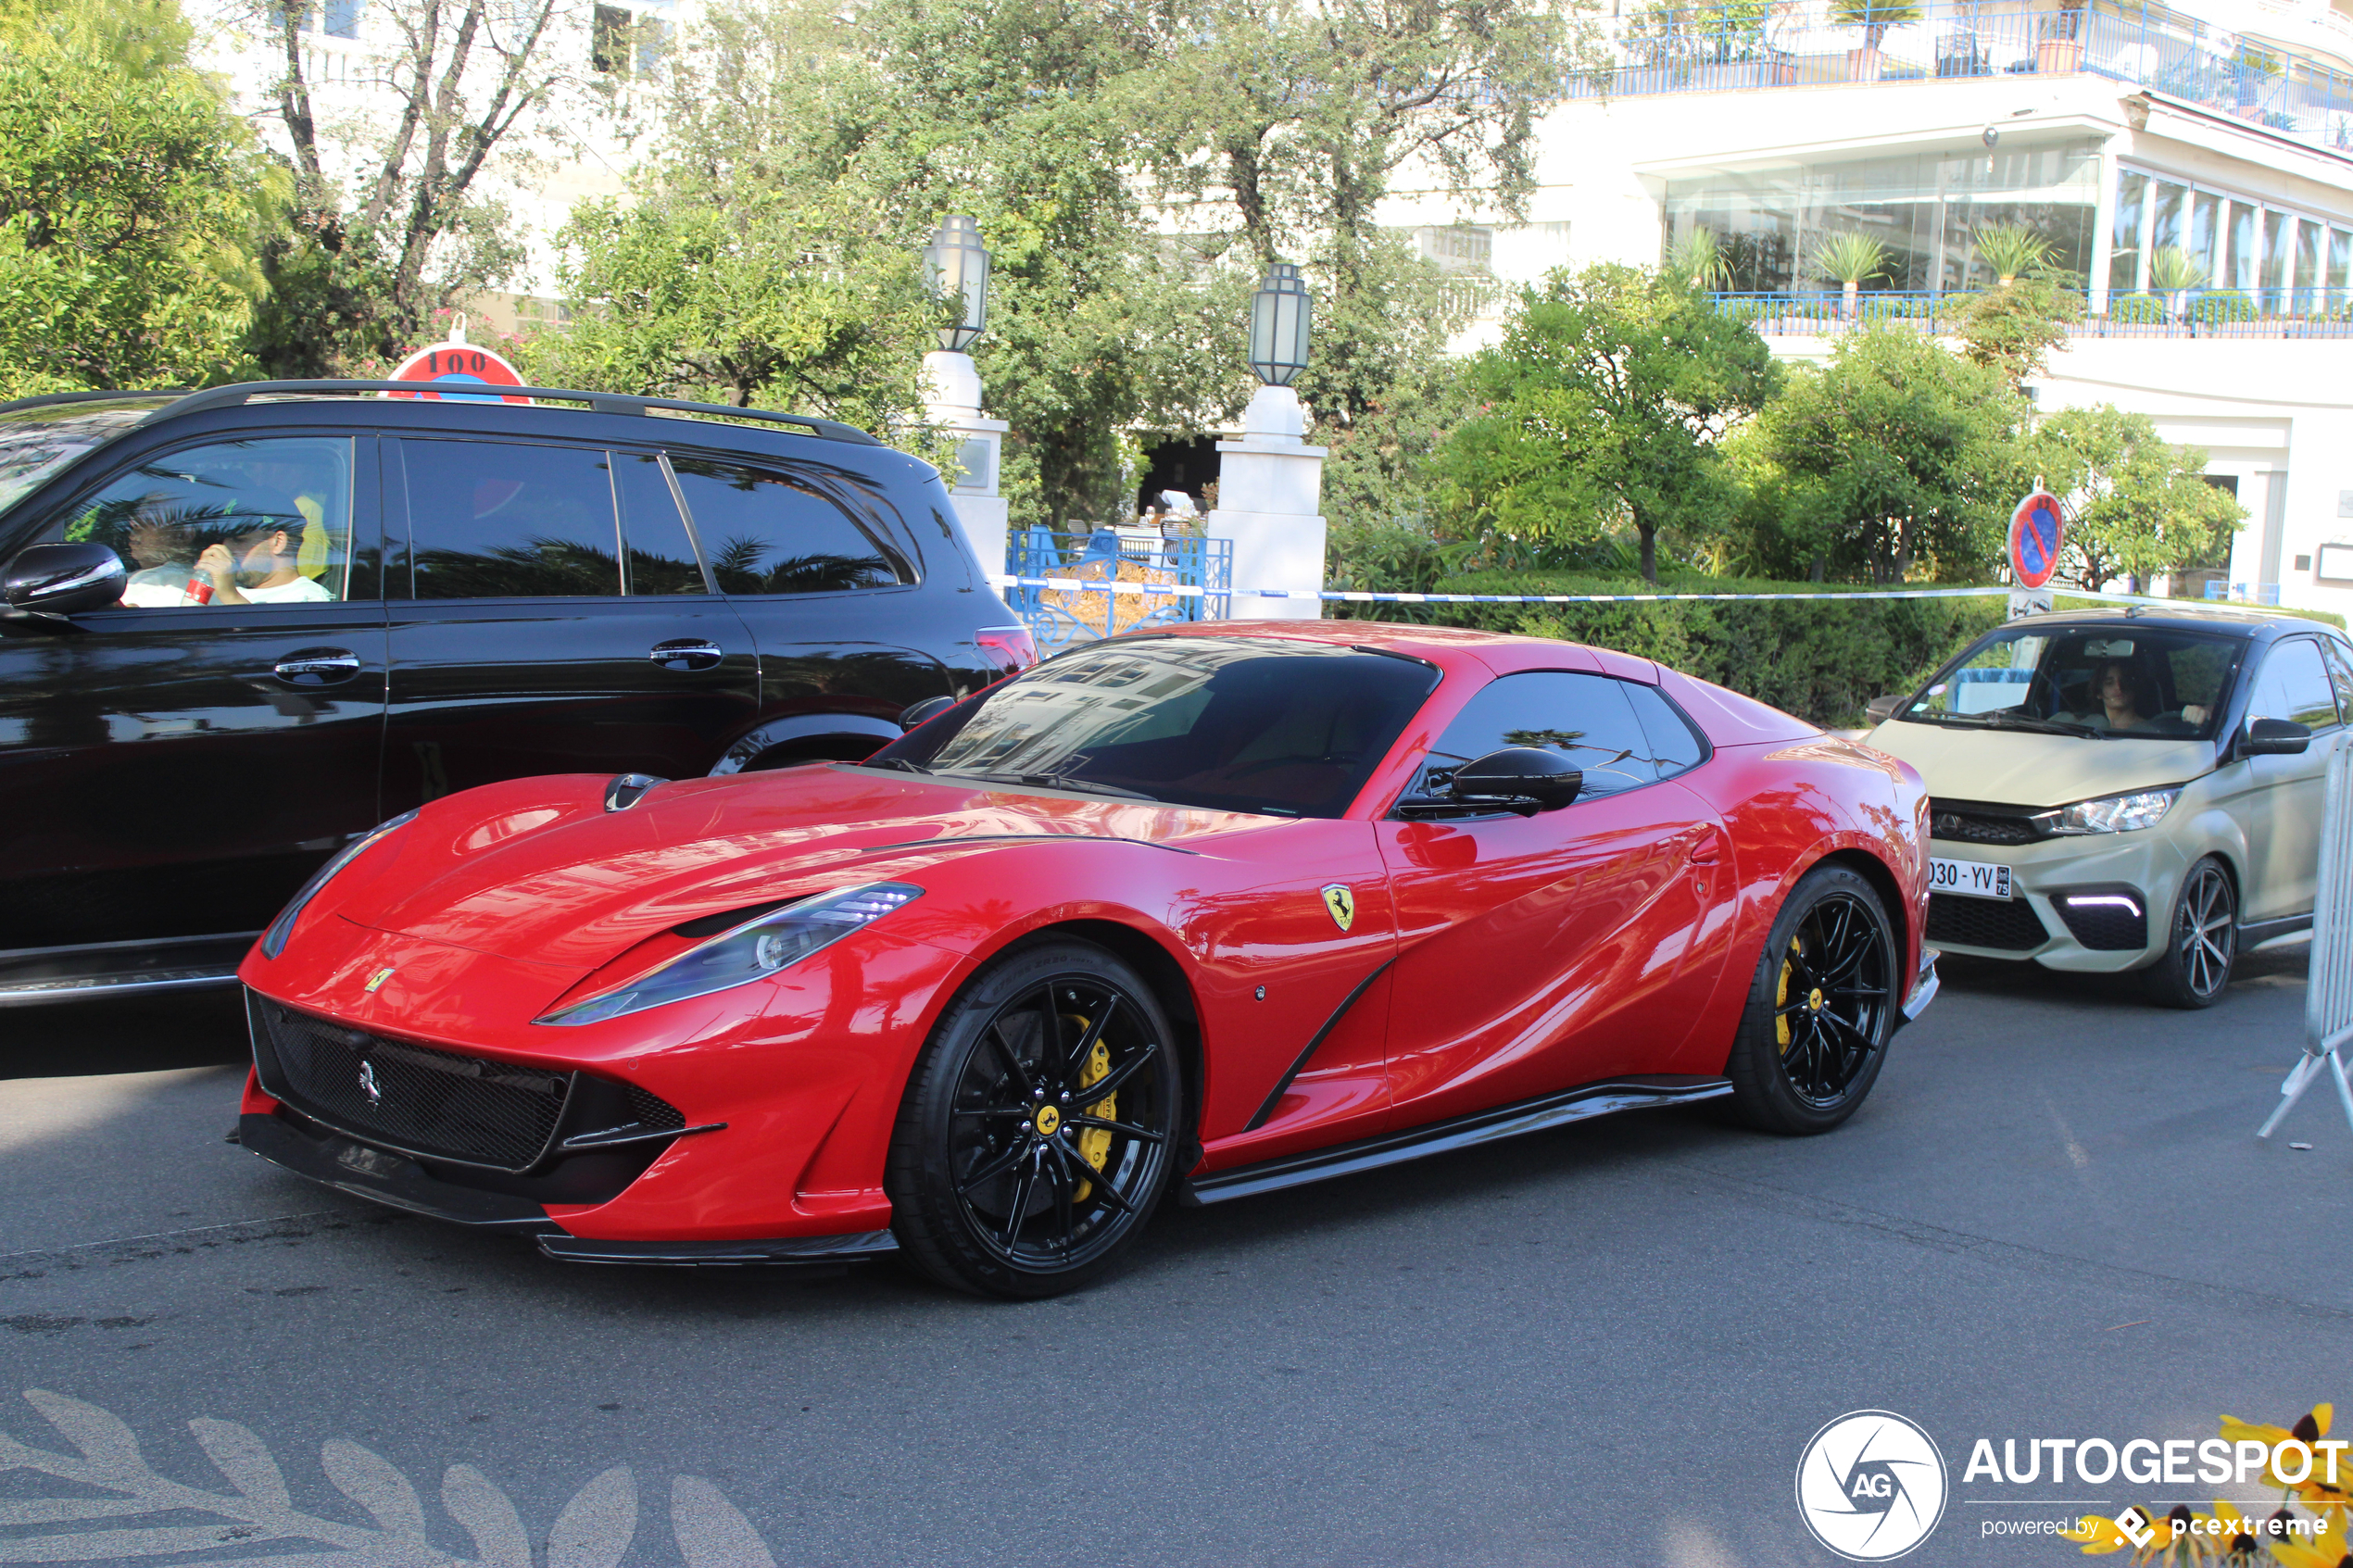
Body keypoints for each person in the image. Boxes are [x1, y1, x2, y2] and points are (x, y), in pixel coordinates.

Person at [192, 511, 332, 606]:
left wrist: (229, 596)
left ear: (279, 542)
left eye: (239, 540)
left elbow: (272, 647)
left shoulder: (310, 601)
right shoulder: (222, 586)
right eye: (223, 539)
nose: (226, 548)